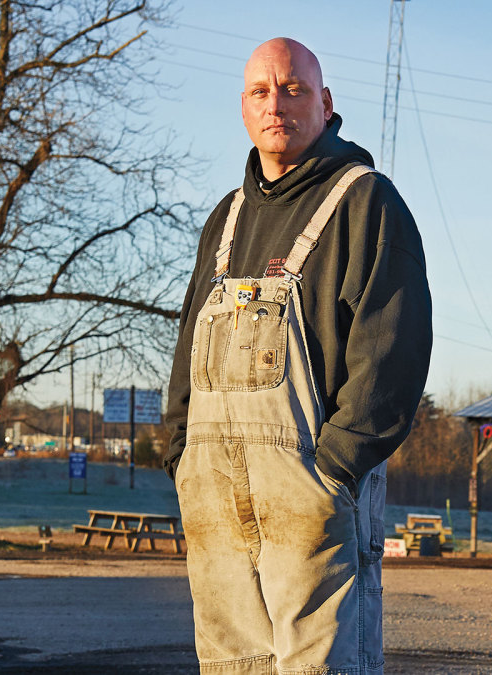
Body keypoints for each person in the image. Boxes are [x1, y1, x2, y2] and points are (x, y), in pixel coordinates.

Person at [163, 38, 432, 674]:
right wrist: (179, 452)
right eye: (261, 90)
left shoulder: (366, 202)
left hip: (312, 492)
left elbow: (393, 352)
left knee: (321, 666)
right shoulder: (225, 220)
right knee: (232, 665)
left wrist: (334, 470)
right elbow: (185, 345)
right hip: (213, 502)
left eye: (293, 89)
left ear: (326, 102)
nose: (275, 104)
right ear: (242, 105)